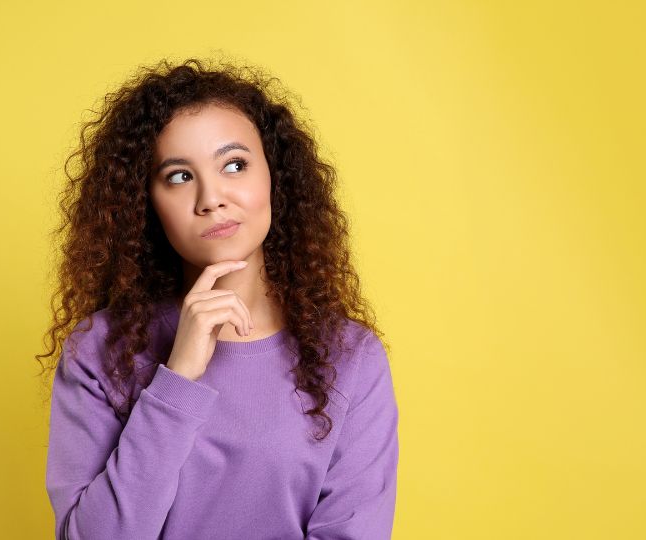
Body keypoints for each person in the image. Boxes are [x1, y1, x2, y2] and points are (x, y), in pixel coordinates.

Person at [38, 57, 399, 540]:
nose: (211, 197)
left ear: (275, 177)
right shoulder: (99, 349)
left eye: (234, 165)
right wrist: (178, 379)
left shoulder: (350, 356)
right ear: (145, 203)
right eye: (179, 176)